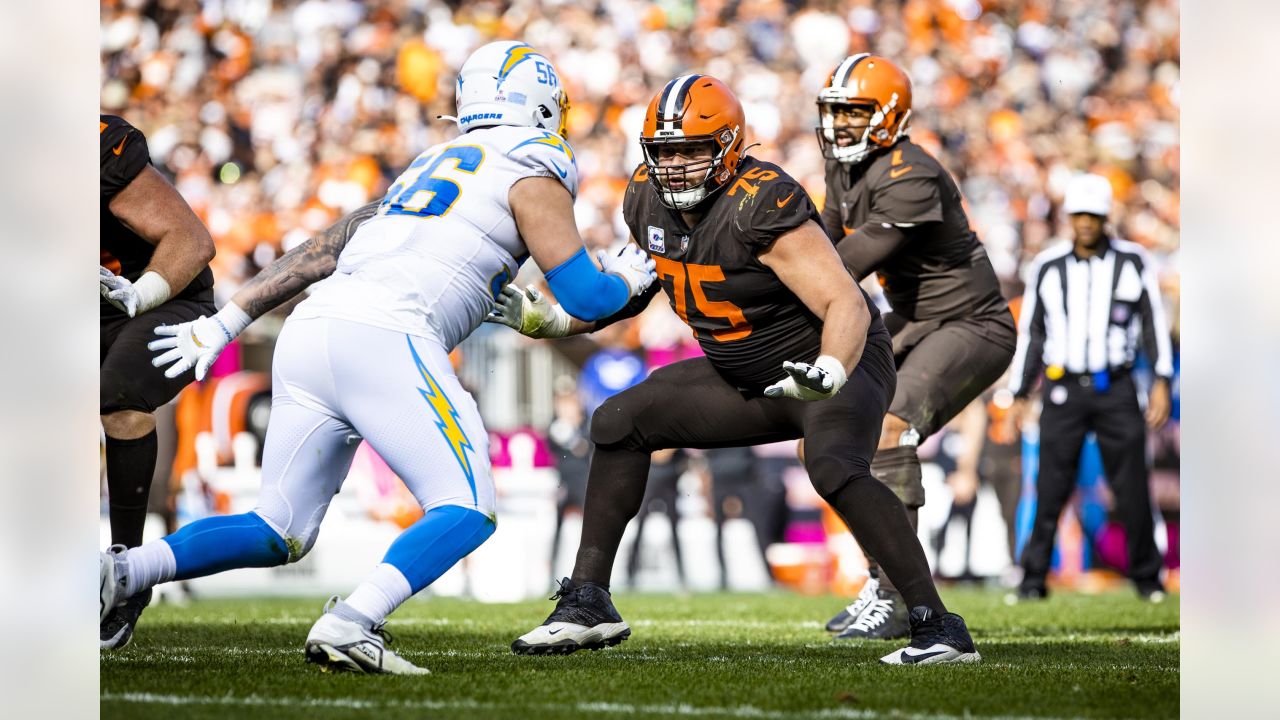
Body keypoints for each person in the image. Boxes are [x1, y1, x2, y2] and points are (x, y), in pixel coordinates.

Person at [98, 41, 657, 675]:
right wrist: (629, 285)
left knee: (277, 526)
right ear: (540, 103)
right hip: (387, 334)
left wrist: (230, 320)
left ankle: (122, 569)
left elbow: (323, 250)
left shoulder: (430, 162)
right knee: (467, 506)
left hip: (312, 329)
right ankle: (351, 621)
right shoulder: (533, 159)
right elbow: (587, 292)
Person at [491, 74, 980, 665]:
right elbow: (638, 287)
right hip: (742, 374)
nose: (674, 166)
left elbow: (845, 302)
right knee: (619, 420)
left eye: (691, 150)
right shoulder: (645, 196)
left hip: (831, 361)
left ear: (727, 147)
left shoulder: (760, 200)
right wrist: (562, 323)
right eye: (664, 151)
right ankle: (587, 602)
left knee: (833, 467)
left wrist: (828, 367)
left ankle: (937, 625)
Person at [812, 55, 1016, 639]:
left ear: (889, 115)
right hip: (911, 318)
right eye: (836, 111)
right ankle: (881, 579)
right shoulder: (842, 166)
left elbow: (841, 266)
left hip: (972, 321)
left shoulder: (912, 172)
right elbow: (820, 241)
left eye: (853, 111)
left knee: (890, 426)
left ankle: (904, 595)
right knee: (837, 431)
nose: (840, 125)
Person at [1007, 172, 1172, 602]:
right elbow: (1033, 333)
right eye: (1078, 214)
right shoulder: (1047, 265)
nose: (1085, 223)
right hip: (1064, 388)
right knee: (1050, 486)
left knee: (1133, 485)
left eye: (1093, 215)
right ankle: (1033, 579)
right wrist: (1021, 392)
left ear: (1105, 217)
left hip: (1116, 385)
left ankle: (1148, 579)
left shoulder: (1133, 261)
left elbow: (1153, 324)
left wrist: (1160, 380)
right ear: (1068, 216)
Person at [99, 114, 218, 649]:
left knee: (120, 396)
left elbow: (192, 240)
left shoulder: (90, 145)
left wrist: (140, 293)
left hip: (158, 295)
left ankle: (125, 577)